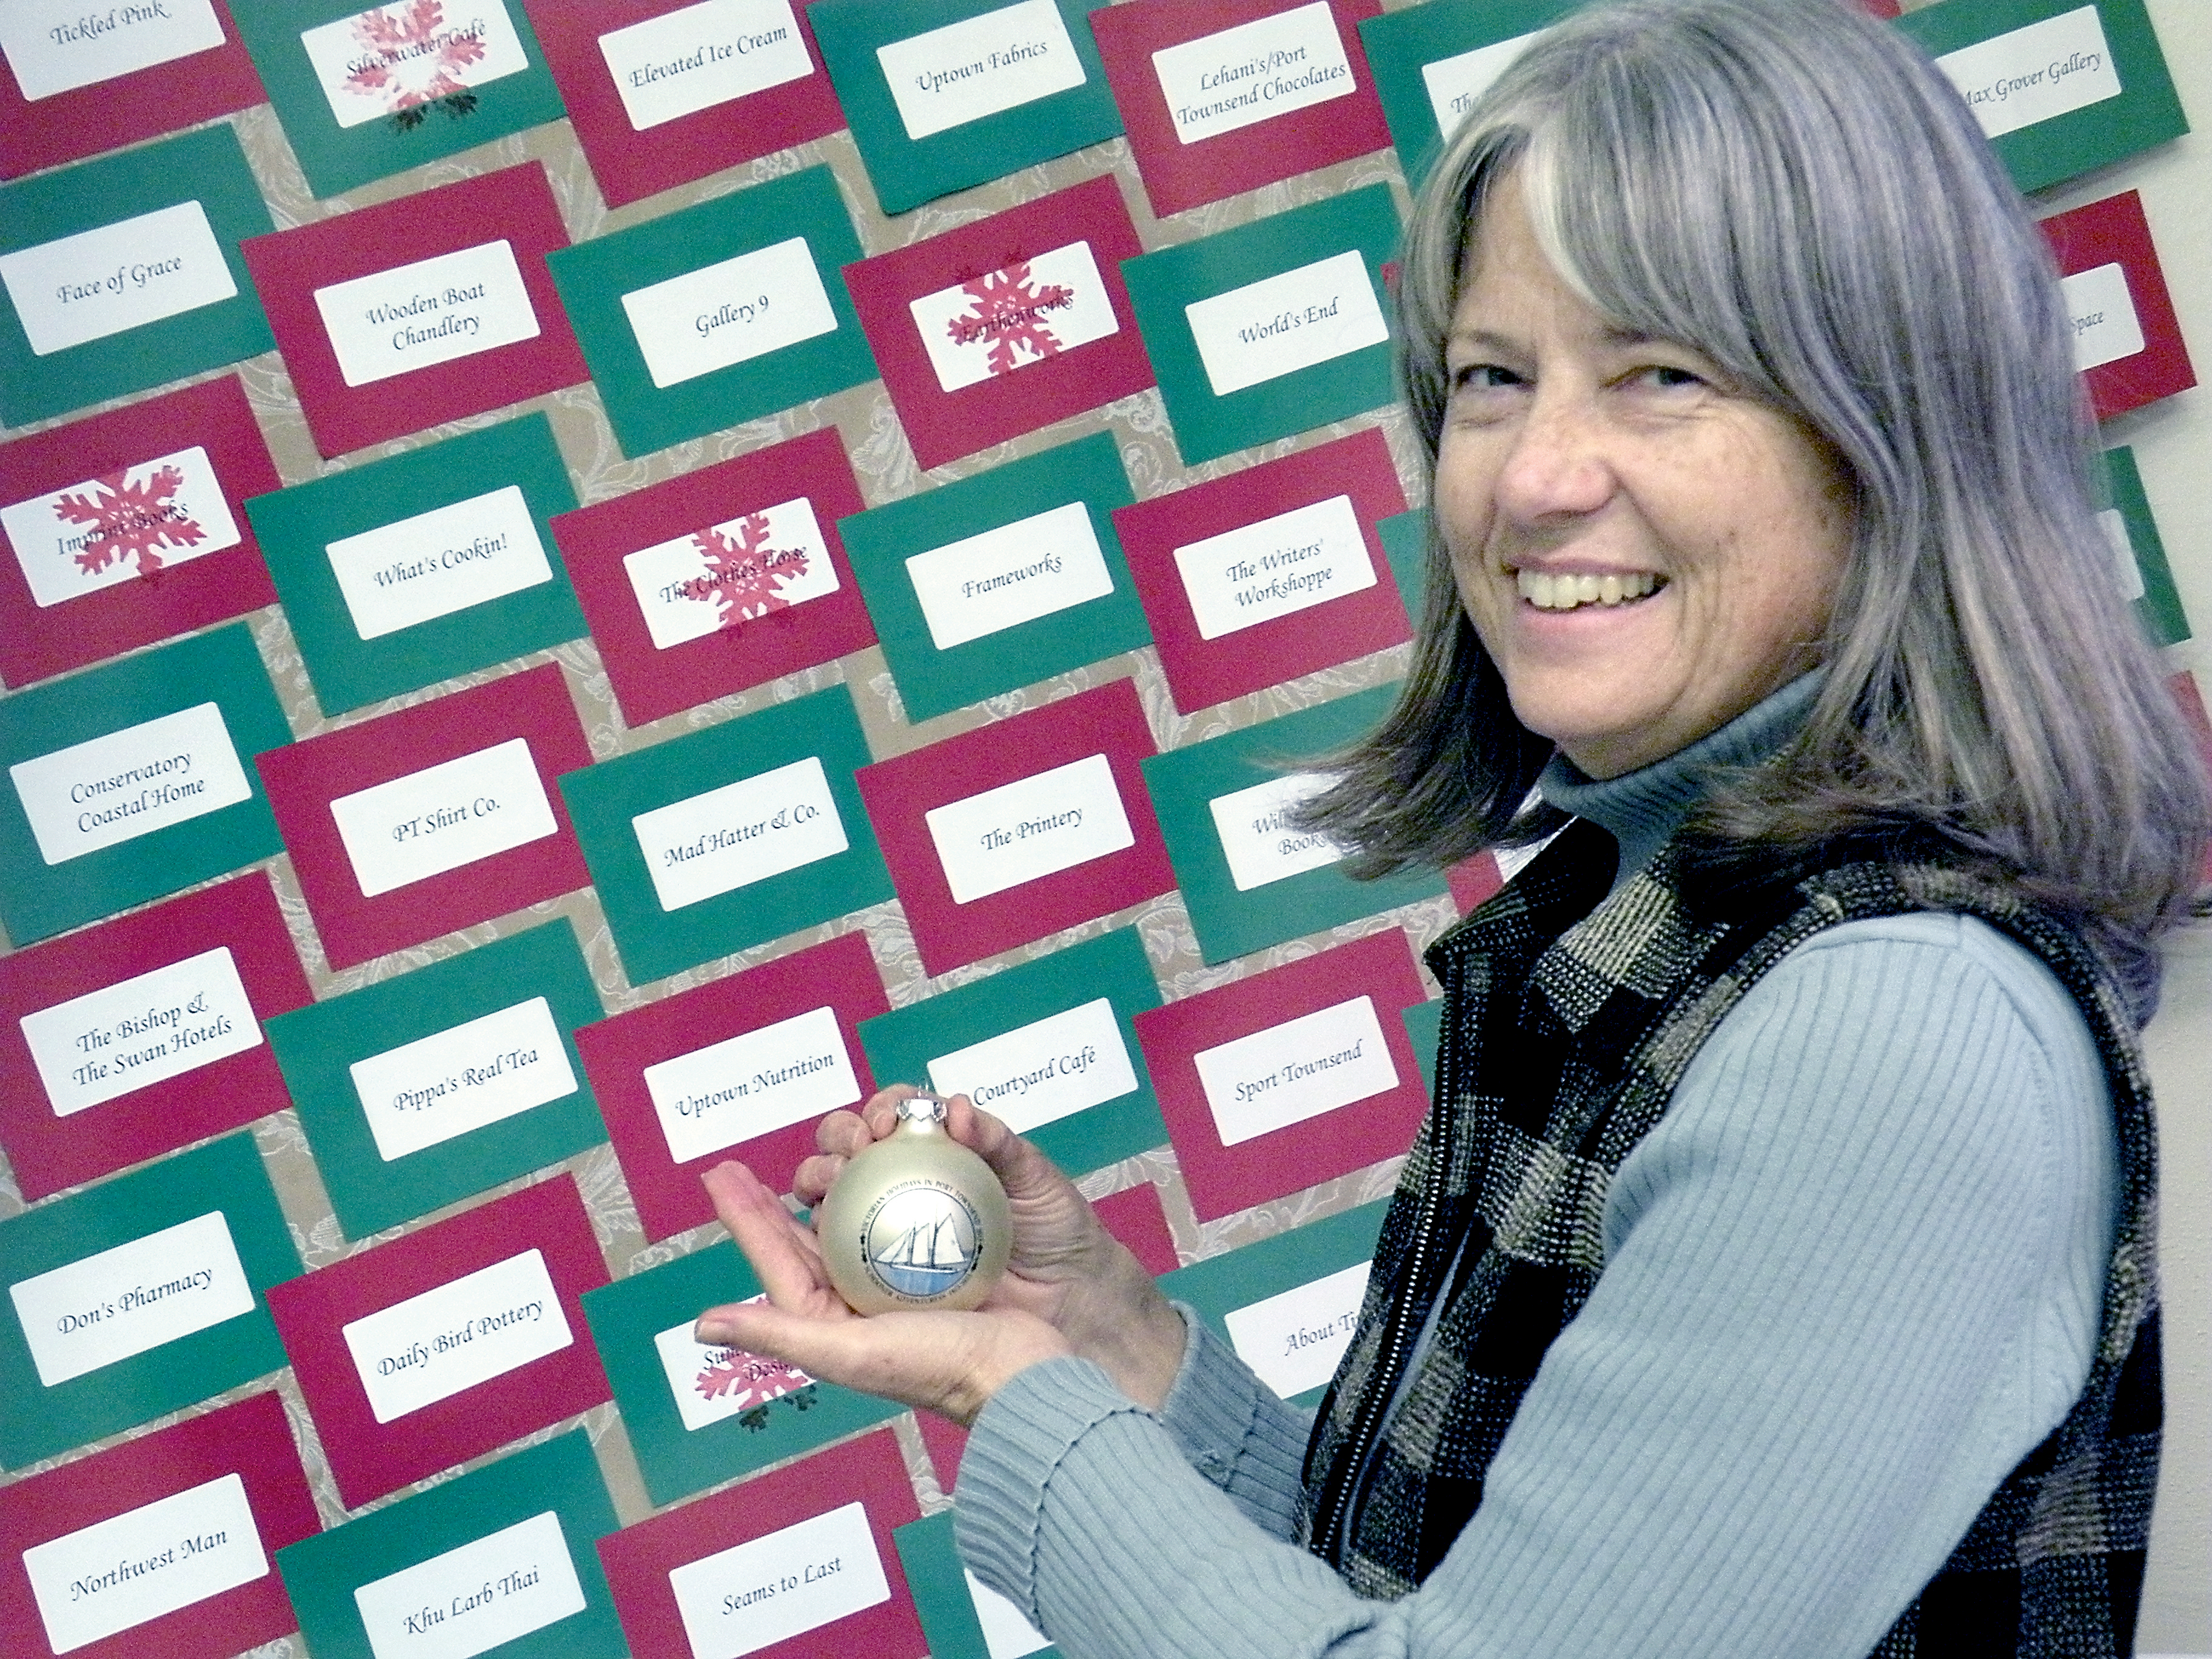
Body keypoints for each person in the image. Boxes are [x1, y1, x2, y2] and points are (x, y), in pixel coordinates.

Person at [695, 0, 2208, 1652]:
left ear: (1890, 437)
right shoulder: (1664, 914)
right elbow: (1428, 1602)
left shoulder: (1891, 1024)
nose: (1533, 477)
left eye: (1661, 375)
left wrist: (1020, 1407)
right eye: (1493, 378)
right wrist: (1100, 1344)